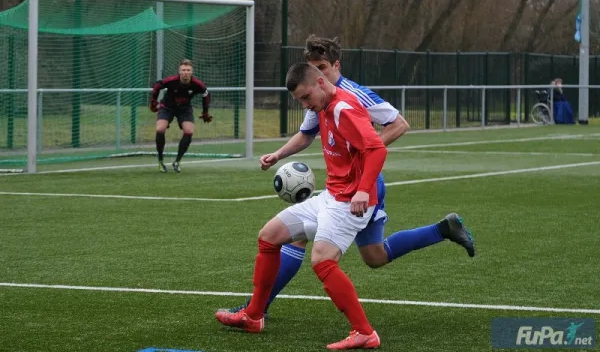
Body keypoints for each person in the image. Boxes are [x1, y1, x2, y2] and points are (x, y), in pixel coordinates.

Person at [220, 35, 475, 317]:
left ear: (335, 66)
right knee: (364, 253)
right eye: (313, 66)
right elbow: (306, 134)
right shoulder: (316, 98)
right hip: (341, 188)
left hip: (362, 184)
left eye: (323, 67)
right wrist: (279, 155)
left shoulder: (352, 95)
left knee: (334, 248)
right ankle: (444, 229)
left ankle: (259, 309)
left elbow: (399, 124)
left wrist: (360, 155)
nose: (318, 72)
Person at [216, 62, 387, 349]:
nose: (306, 105)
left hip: (348, 203)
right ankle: (254, 316)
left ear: (321, 83)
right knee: (269, 236)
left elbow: (377, 149)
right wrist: (279, 154)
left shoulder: (343, 108)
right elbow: (306, 136)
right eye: (300, 102)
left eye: (306, 98)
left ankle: (364, 332)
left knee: (322, 260)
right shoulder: (320, 107)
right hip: (330, 197)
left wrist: (362, 189)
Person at [149, 59, 213, 173]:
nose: (186, 72)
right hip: (167, 107)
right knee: (160, 129)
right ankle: (160, 160)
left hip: (184, 109)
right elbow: (157, 85)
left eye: (188, 70)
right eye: (183, 70)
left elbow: (206, 95)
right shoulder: (172, 80)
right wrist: (153, 101)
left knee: (189, 131)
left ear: (192, 72)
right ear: (179, 71)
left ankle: (177, 161)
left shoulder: (197, 84)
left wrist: (205, 112)